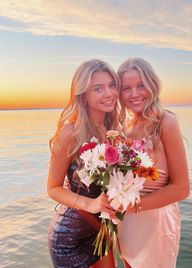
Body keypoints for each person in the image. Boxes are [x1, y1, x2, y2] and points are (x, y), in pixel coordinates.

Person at [117, 58, 190, 268]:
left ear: (152, 84)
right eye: (126, 88)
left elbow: (182, 188)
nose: (134, 94)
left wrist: (132, 207)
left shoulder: (166, 122)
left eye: (141, 85)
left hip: (157, 225)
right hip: (128, 224)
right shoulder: (124, 129)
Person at [47, 59, 120, 268]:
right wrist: (91, 203)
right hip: (70, 237)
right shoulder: (70, 134)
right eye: (98, 88)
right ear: (84, 96)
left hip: (100, 231)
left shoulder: (114, 131)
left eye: (111, 85)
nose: (108, 93)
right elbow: (53, 188)